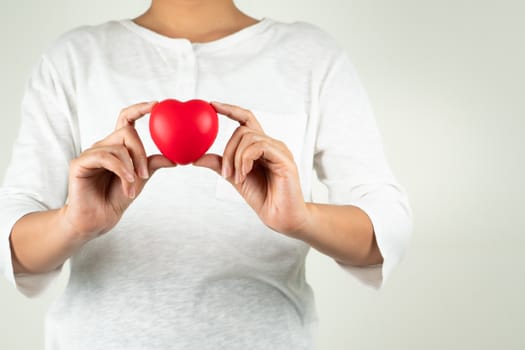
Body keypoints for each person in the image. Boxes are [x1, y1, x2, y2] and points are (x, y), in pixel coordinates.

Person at [0, 0, 412, 349]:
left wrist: (302, 218)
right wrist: (74, 224)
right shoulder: (74, 58)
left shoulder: (310, 55)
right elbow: (14, 240)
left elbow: (385, 226)